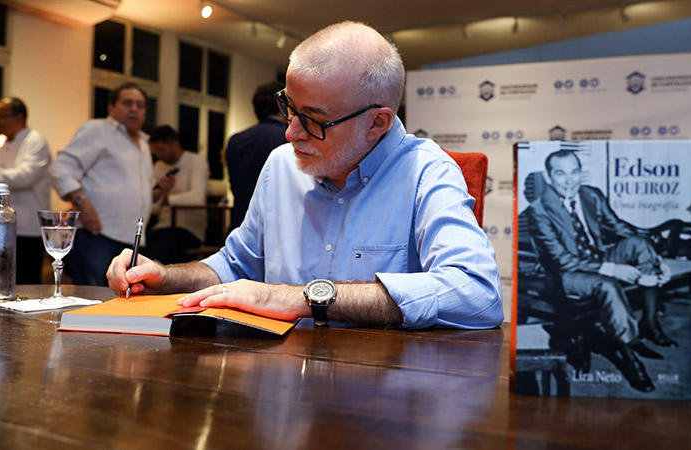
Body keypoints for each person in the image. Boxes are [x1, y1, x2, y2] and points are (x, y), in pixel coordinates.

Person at [107, 21, 503, 330]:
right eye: (289, 107)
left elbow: (477, 294)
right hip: (281, 390)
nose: (291, 132)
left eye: (314, 120)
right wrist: (167, 276)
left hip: (382, 401)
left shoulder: (426, 172)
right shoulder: (282, 165)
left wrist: (306, 298)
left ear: (377, 123)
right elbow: (236, 265)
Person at [527, 149, 675, 393]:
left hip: (596, 256)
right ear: (548, 175)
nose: (570, 180)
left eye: (575, 172)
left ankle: (649, 323)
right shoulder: (539, 209)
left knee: (639, 244)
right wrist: (612, 268)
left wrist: (656, 259)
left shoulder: (590, 194)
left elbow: (618, 227)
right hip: (564, 274)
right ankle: (630, 357)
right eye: (561, 174)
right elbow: (562, 259)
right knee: (609, 285)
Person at [51, 82, 153, 286]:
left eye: (140, 105)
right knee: (93, 299)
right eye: (127, 103)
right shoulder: (98, 130)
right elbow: (61, 169)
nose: (134, 109)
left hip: (131, 238)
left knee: (121, 302)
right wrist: (82, 202)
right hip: (98, 234)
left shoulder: (144, 142)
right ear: (111, 107)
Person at [0, 97, 52, 284]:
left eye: (3, 116)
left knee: (26, 279)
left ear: (20, 117)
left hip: (27, 224)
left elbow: (25, 177)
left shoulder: (35, 140)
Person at [225, 80, 288, 232]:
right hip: (278, 227)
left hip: (241, 224)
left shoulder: (236, 140)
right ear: (283, 106)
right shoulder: (289, 137)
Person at [145, 125, 209, 264]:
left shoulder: (196, 161)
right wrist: (158, 195)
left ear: (174, 145)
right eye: (155, 151)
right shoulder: (159, 166)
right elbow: (154, 208)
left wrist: (166, 199)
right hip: (163, 226)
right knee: (140, 248)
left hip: (188, 228)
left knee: (159, 251)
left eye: (161, 150)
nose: (158, 155)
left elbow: (197, 198)